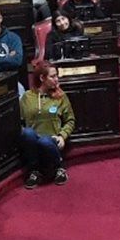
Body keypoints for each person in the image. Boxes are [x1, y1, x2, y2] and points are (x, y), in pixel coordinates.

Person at [18, 61, 73, 189]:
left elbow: (70, 120)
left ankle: (59, 167)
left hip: (51, 141)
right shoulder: (27, 97)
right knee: (27, 133)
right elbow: (19, 121)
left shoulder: (60, 97)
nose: (56, 79)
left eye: (56, 75)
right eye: (52, 76)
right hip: (32, 142)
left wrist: (62, 136)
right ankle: (34, 171)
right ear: (42, 78)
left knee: (44, 141)